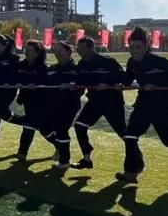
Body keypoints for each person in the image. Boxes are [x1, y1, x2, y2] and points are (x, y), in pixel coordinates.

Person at [118, 27, 168, 184]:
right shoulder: (131, 63)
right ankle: (131, 172)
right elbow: (127, 80)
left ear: (146, 46)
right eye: (131, 47)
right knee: (130, 136)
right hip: (143, 104)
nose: (134, 51)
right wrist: (118, 83)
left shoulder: (161, 62)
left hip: (164, 105)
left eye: (138, 47)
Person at [72, 35, 129, 170]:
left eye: (82, 49)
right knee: (79, 126)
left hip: (112, 102)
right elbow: (80, 84)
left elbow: (124, 79)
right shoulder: (82, 64)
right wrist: (73, 87)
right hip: (94, 102)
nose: (80, 52)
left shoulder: (108, 61)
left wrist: (109, 84)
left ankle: (136, 159)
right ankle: (86, 159)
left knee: (123, 133)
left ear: (91, 48)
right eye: (78, 49)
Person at [45, 41, 82, 170]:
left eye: (60, 50)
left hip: (69, 105)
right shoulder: (51, 69)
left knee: (61, 130)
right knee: (44, 128)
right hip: (52, 104)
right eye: (55, 51)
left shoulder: (76, 69)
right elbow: (44, 84)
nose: (57, 53)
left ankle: (64, 161)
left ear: (68, 51)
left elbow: (81, 87)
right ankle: (60, 148)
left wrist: (72, 86)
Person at [14, 40, 50, 163]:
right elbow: (15, 78)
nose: (26, 53)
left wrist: (35, 85)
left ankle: (22, 152)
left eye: (30, 51)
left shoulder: (43, 67)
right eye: (26, 50)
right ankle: (60, 146)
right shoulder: (21, 65)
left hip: (39, 100)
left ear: (38, 53)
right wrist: (17, 83)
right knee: (39, 126)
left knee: (31, 124)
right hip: (26, 99)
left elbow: (45, 84)